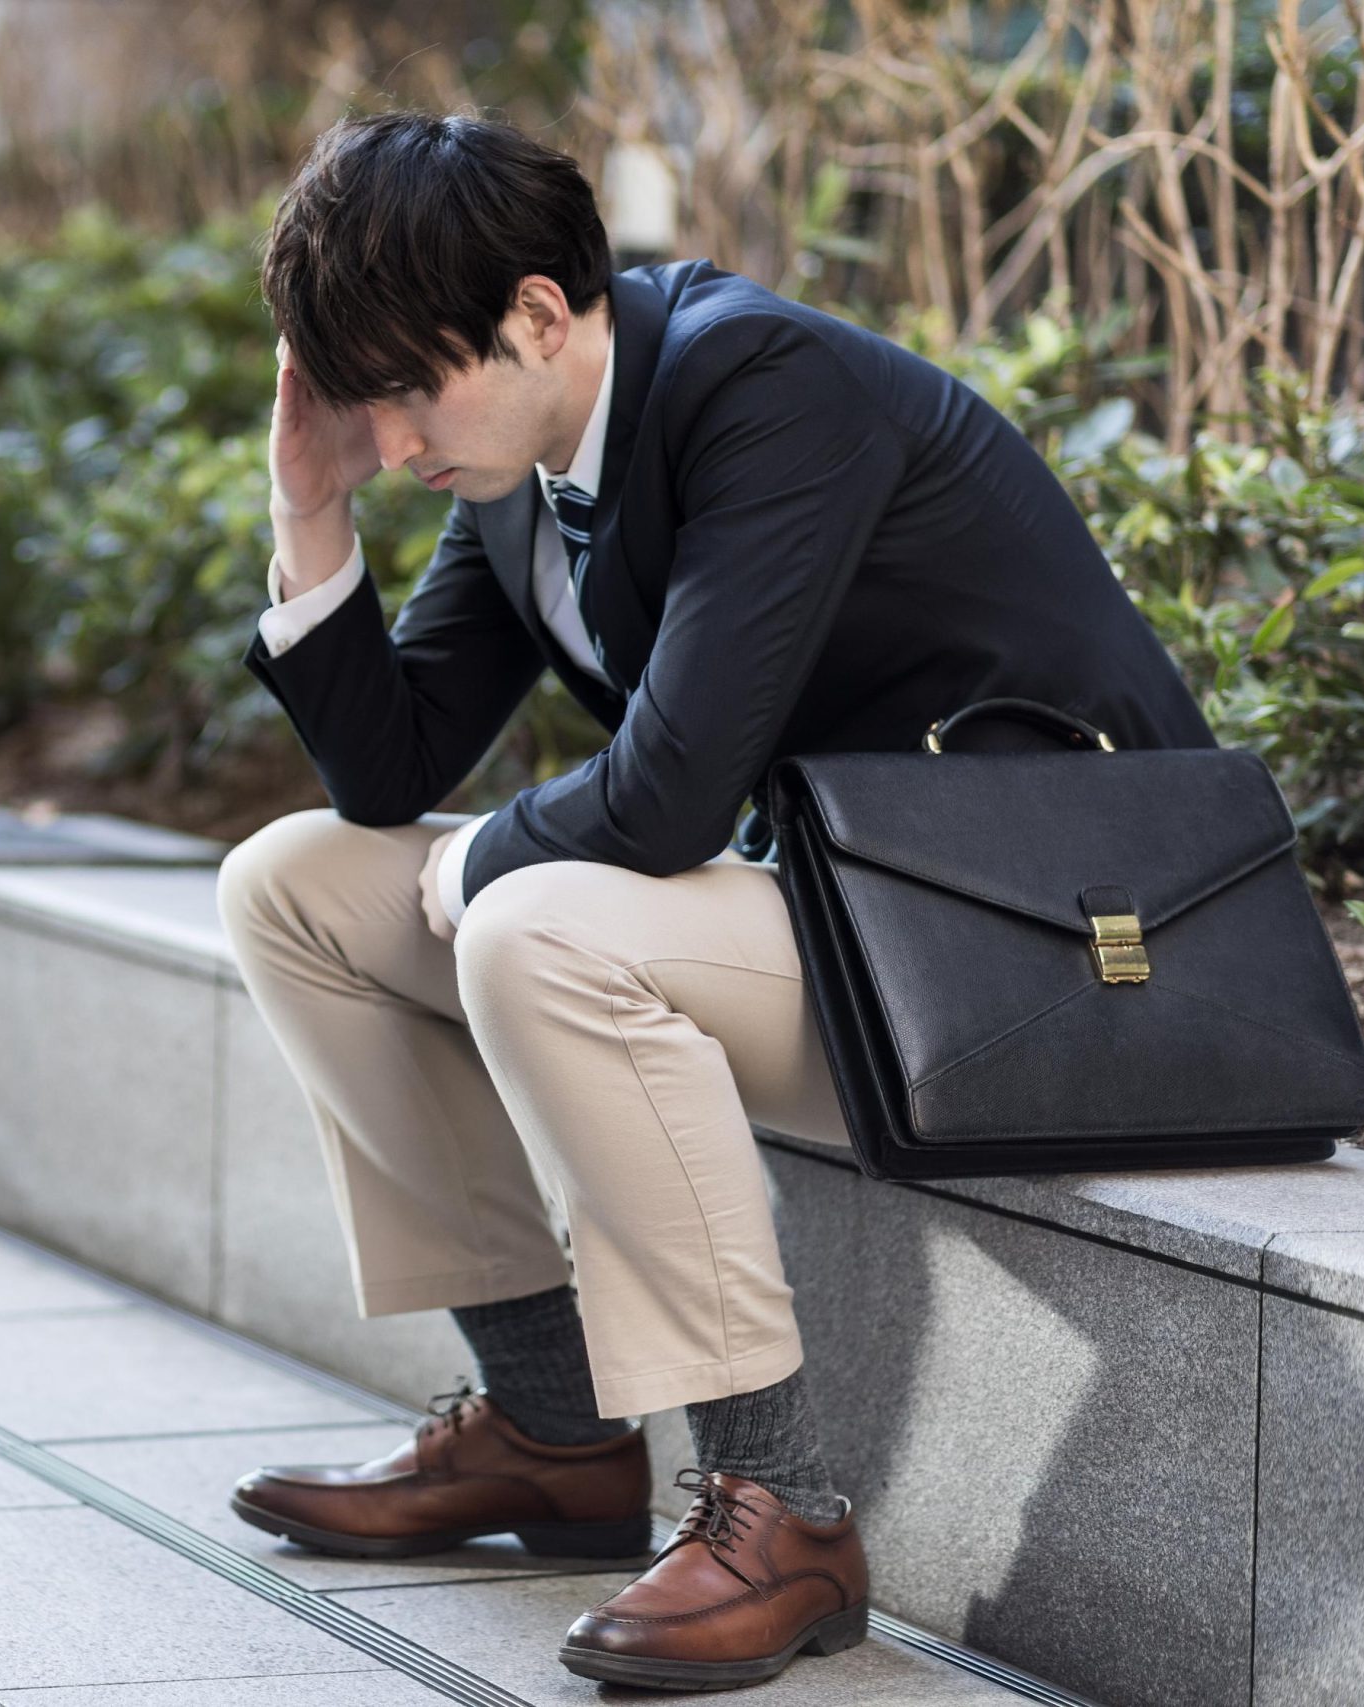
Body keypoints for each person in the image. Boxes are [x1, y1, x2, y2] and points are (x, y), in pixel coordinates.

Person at [214, 110, 1217, 1692]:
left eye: (414, 389)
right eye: (368, 402)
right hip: (868, 927)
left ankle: (785, 1511)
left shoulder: (763, 387)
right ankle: (551, 1424)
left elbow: (669, 791)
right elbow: (387, 768)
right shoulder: (523, 463)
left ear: (540, 315)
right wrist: (309, 515)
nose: (397, 442)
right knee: (292, 889)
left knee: (531, 921)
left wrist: (480, 867)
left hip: (1053, 954)